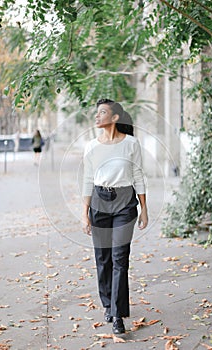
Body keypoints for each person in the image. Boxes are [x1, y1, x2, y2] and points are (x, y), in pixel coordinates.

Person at [82, 99, 148, 334]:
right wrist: (85, 213)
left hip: (124, 205)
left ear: (115, 117)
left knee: (120, 259)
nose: (97, 116)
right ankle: (108, 304)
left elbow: (138, 175)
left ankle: (118, 315)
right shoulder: (91, 146)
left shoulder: (131, 144)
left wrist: (144, 209)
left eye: (102, 112)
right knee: (103, 259)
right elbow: (88, 179)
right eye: (96, 112)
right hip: (99, 203)